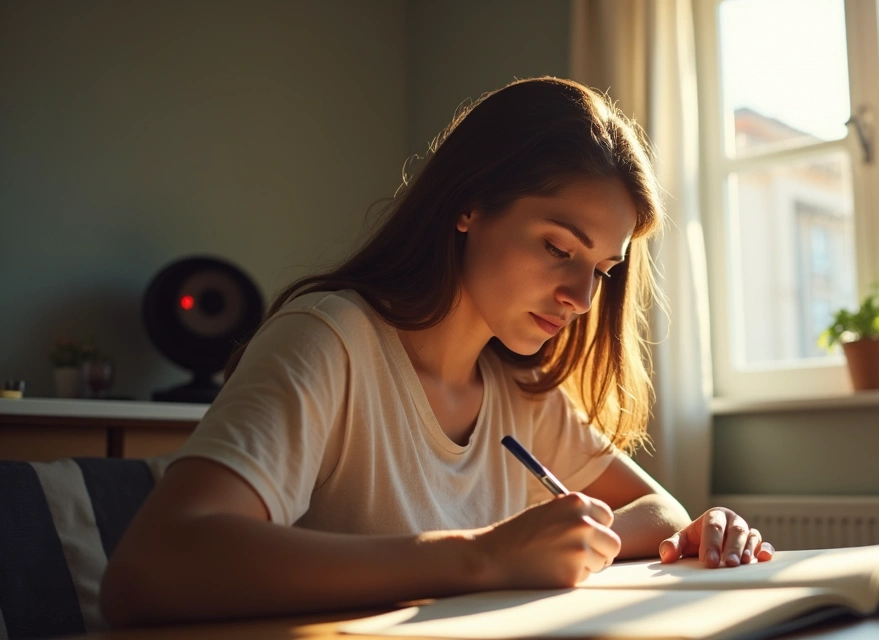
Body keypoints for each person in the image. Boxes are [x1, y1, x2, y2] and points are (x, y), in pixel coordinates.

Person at [100, 77, 773, 628]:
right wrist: (481, 559)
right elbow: (152, 569)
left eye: (600, 269)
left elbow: (660, 512)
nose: (580, 297)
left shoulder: (519, 386)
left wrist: (654, 535)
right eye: (558, 249)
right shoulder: (330, 339)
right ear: (468, 207)